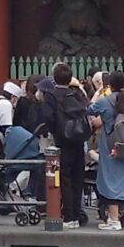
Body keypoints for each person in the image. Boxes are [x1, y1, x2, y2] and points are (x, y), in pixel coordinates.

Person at [87, 72, 124, 231]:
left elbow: (89, 109)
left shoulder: (104, 102)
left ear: (110, 85)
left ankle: (114, 219)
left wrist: (97, 93)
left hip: (111, 147)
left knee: (111, 182)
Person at [38, 64, 87, 229]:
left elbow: (48, 117)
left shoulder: (51, 95)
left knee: (64, 178)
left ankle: (68, 216)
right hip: (78, 139)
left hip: (62, 141)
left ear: (54, 78)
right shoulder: (76, 94)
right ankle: (76, 214)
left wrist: (52, 131)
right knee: (77, 179)